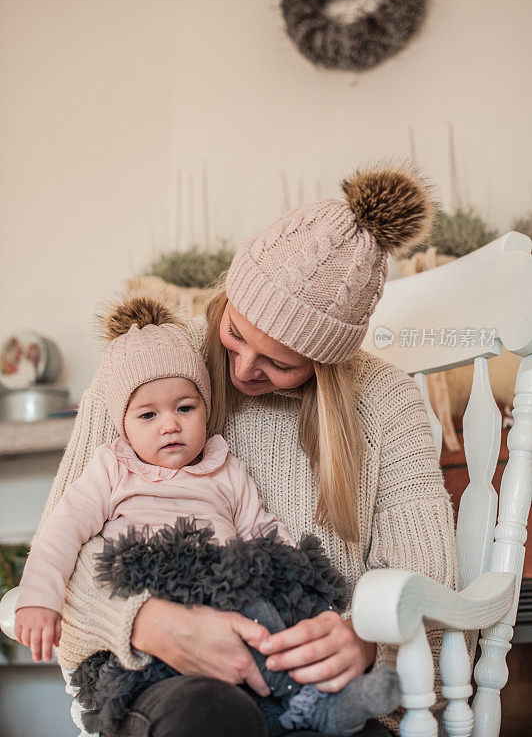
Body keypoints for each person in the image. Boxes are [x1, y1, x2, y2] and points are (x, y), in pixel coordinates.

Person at [32, 163, 459, 737]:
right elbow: (62, 547)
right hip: (174, 690)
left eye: (279, 363)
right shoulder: (150, 364)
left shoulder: (386, 403)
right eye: (235, 333)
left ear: (325, 361)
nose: (240, 370)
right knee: (207, 718)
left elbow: (432, 589)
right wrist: (149, 624)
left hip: (313, 691)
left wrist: (364, 640)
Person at [14, 306, 399, 736]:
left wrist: (301, 595)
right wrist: (38, 598)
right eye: (148, 415)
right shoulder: (111, 469)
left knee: (265, 617)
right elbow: (61, 532)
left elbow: (263, 532)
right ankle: (313, 706)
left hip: (224, 596)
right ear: (122, 423)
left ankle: (314, 701)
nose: (170, 426)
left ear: (205, 407)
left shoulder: (223, 468)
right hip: (153, 595)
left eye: (185, 407)